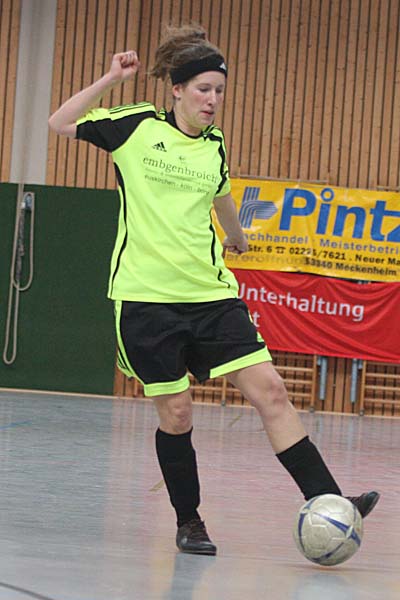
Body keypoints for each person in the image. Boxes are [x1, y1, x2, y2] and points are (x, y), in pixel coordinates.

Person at [48, 25, 379, 556]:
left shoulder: (215, 145)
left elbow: (221, 194)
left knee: (271, 390)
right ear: (177, 88)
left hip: (210, 295)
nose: (213, 100)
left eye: (220, 91)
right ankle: (189, 521)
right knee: (178, 414)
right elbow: (59, 122)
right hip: (146, 301)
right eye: (203, 89)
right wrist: (111, 78)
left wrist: (237, 235)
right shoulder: (134, 127)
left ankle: (330, 500)